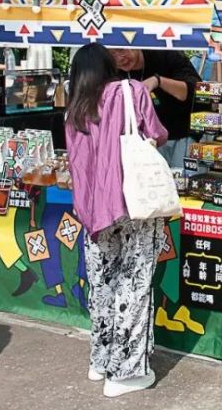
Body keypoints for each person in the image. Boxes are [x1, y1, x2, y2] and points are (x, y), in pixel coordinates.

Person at [65, 44, 168, 398]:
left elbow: (78, 163)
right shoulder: (131, 91)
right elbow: (156, 133)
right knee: (134, 285)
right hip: (133, 201)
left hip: (93, 210)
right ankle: (124, 373)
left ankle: (100, 360)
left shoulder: (75, 108)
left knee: (102, 284)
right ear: (108, 66)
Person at [109, 48, 200, 170]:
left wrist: (158, 81)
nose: (120, 58)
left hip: (186, 133)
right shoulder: (113, 73)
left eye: (122, 50)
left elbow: (194, 90)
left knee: (187, 184)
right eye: (112, 54)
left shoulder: (164, 53)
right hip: (149, 141)